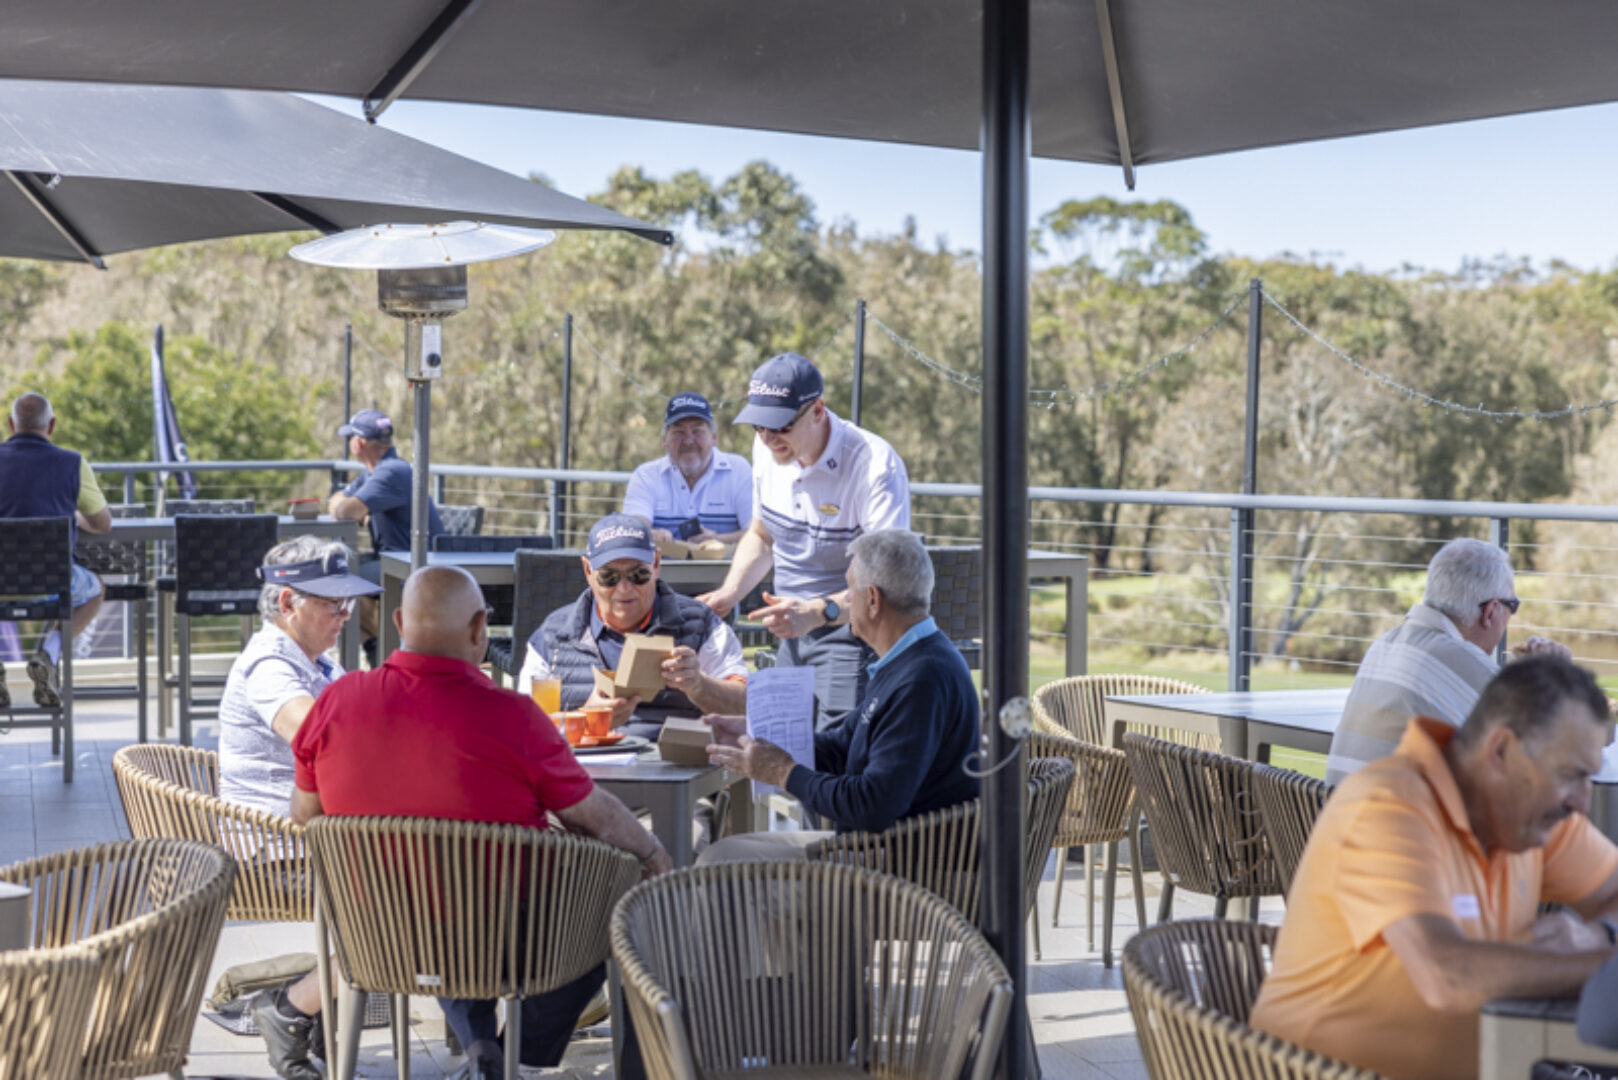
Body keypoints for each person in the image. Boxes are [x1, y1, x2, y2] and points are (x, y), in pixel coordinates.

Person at [290, 565, 671, 1079]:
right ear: (478, 629)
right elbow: (595, 815)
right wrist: (651, 853)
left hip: (377, 935)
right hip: (506, 943)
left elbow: (305, 815)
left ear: (399, 623)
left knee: (442, 885)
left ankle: (482, 1054)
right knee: (615, 899)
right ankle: (522, 1056)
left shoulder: (336, 702)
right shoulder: (513, 716)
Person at [1251, 656, 1618, 1080]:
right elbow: (1447, 975)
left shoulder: (1528, 817)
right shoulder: (1388, 806)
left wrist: (1600, 935)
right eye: (1570, 775)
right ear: (1501, 751)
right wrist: (1603, 970)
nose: (1582, 802)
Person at [698, 529, 978, 860]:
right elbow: (842, 746)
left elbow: (872, 805)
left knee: (720, 861)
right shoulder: (911, 659)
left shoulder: (920, 679)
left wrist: (783, 773)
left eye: (849, 593)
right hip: (886, 850)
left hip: (903, 870)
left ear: (872, 600)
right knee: (723, 853)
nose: (845, 603)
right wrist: (758, 735)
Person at [219, 537, 377, 1080]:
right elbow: (319, 737)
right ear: (288, 602)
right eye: (333, 604)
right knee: (413, 900)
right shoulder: (270, 666)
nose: (346, 615)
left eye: (347, 603)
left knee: (426, 886)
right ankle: (293, 1007)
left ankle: (316, 1013)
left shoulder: (315, 661)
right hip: (278, 849)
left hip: (317, 835)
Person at [698, 353, 911, 730]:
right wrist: (730, 593)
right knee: (783, 743)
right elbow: (762, 536)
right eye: (758, 426)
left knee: (836, 751)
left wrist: (816, 612)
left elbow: (882, 586)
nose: (767, 438)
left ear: (817, 410)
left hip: (854, 632)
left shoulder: (874, 466)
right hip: (790, 630)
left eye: (779, 425)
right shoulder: (767, 451)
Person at [1326, 536, 1569, 785]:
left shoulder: (1385, 644)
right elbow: (1551, 745)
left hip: (1341, 806)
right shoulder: (1458, 659)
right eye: (1512, 606)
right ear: (1490, 611)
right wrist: (1555, 676)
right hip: (1393, 810)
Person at [518, 514, 747, 739]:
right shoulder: (553, 636)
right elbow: (523, 729)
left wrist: (700, 685)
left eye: (638, 574)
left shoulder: (701, 625)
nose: (624, 588)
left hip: (675, 760)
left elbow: (747, 707)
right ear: (588, 571)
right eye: (609, 577)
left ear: (656, 564)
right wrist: (588, 721)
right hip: (584, 763)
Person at [0, 391, 110, 708]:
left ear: (11, 425)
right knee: (96, 588)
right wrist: (73, 516)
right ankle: (49, 654)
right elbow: (102, 523)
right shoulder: (72, 464)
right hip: (52, 584)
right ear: (51, 426)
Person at [326, 408, 444, 660]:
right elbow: (337, 500)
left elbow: (345, 510)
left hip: (413, 566)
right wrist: (355, 510)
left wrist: (354, 510)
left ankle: (396, 646)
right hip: (393, 561)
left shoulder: (391, 472)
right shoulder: (375, 472)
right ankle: (379, 650)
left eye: (350, 438)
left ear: (359, 443)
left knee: (340, 579)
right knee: (337, 574)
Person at [622, 392, 753, 546]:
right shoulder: (646, 476)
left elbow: (758, 535)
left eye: (698, 432)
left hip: (725, 563)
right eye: (679, 432)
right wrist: (650, 535)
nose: (688, 441)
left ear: (714, 438)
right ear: (664, 441)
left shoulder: (738, 470)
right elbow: (633, 530)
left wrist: (717, 540)